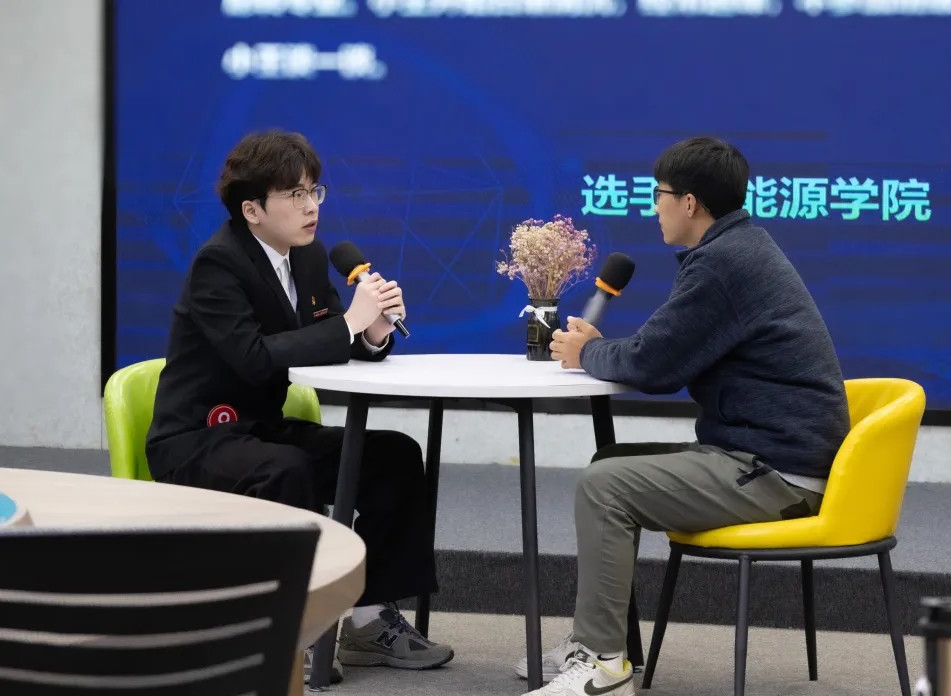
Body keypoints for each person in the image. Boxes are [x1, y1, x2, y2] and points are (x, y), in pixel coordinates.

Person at [521, 137, 850, 696]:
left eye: (660, 194)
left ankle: (603, 667)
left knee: (605, 486)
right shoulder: (739, 249)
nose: (655, 206)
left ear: (690, 203)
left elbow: (654, 365)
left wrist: (587, 352)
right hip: (769, 458)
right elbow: (660, 350)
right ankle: (597, 642)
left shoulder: (724, 264)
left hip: (777, 474)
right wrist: (600, 349)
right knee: (609, 462)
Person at [146, 130, 453, 684]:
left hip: (261, 430)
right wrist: (350, 324)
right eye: (294, 194)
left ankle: (367, 621)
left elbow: (330, 337)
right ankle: (295, 633)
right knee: (286, 470)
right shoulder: (218, 264)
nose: (311, 206)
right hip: (197, 439)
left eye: (314, 191)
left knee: (393, 455)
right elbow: (254, 359)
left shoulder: (307, 257)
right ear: (252, 209)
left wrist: (373, 334)